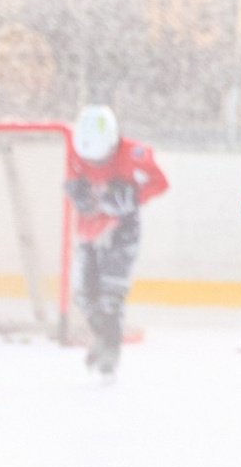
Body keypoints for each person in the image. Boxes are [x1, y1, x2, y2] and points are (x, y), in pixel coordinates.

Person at [68, 101, 168, 379]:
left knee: (111, 294)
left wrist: (133, 196)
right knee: (84, 294)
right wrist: (77, 192)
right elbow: (71, 179)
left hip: (123, 230)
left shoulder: (135, 153)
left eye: (100, 160)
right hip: (90, 230)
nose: (94, 166)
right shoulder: (75, 154)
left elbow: (161, 183)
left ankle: (111, 350)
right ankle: (104, 339)